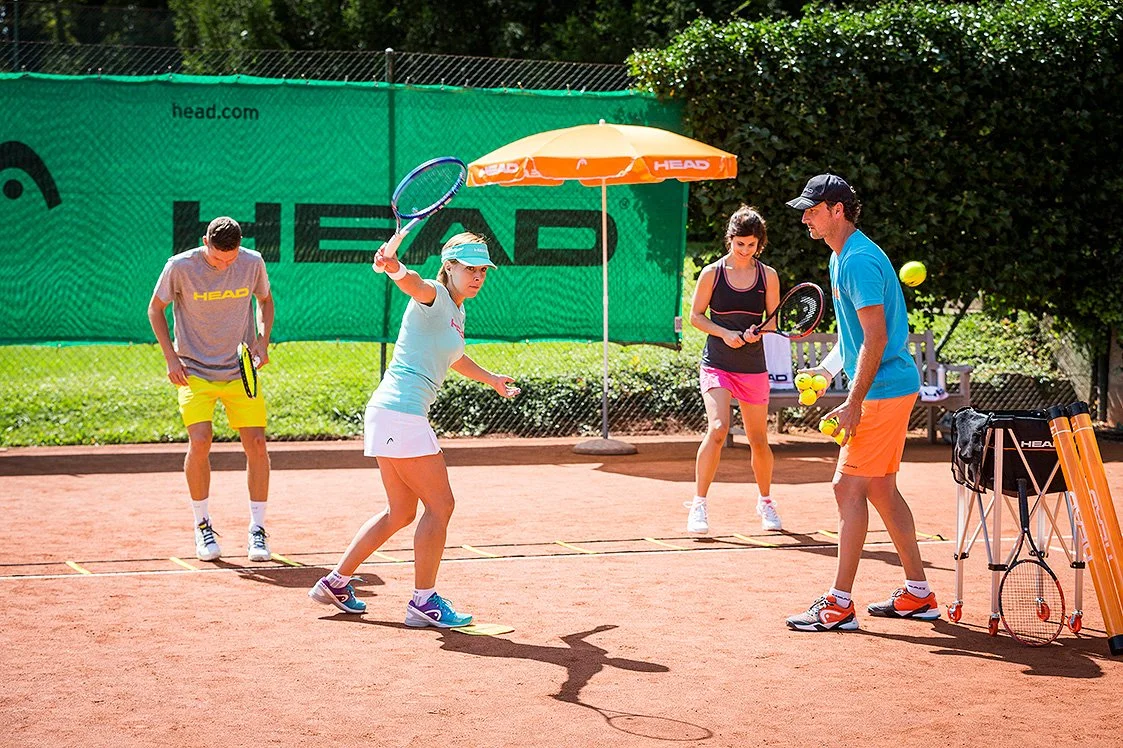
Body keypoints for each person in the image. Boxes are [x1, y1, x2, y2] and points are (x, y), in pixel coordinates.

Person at [309, 231, 518, 628]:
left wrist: (490, 378)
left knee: (401, 512)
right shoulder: (436, 298)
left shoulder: (455, 312)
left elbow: (452, 357)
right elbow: (414, 284)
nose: (477, 276)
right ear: (449, 268)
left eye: (483, 270)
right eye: (469, 269)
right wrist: (394, 267)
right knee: (441, 506)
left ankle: (336, 582)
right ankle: (424, 602)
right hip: (402, 414)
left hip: (389, 414)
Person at [782, 174, 938, 631]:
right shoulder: (840, 257)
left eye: (812, 209)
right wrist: (828, 371)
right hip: (888, 387)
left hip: (883, 392)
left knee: (846, 488)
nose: (805, 217)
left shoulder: (858, 261)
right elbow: (855, 338)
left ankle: (839, 605)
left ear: (837, 209)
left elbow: (876, 338)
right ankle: (918, 593)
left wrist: (853, 401)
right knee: (881, 490)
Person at [147, 216, 274, 563]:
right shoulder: (180, 266)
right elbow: (155, 309)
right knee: (200, 440)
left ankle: (257, 530)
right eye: (218, 259)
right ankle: (202, 524)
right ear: (205, 241)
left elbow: (265, 301)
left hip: (240, 369)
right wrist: (171, 358)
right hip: (194, 371)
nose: (224, 265)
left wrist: (262, 341)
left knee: (258, 445)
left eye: (230, 259)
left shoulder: (253, 262)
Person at [685, 205, 782, 535]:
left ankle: (766, 502)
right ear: (730, 240)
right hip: (717, 364)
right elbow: (696, 316)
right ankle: (699, 504)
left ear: (759, 244)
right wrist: (726, 333)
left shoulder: (768, 276)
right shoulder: (712, 273)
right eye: (739, 244)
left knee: (758, 439)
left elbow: (774, 321)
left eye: (751, 245)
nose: (744, 250)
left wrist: (758, 331)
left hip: (753, 367)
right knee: (717, 428)